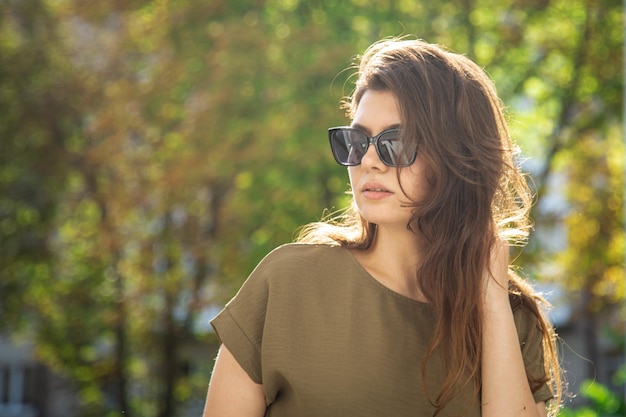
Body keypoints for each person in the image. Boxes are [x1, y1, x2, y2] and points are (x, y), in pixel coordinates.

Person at [202, 37, 563, 417]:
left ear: (457, 157)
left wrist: (490, 297)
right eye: (357, 140)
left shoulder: (510, 315)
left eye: (396, 142)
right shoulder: (288, 283)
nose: (369, 160)